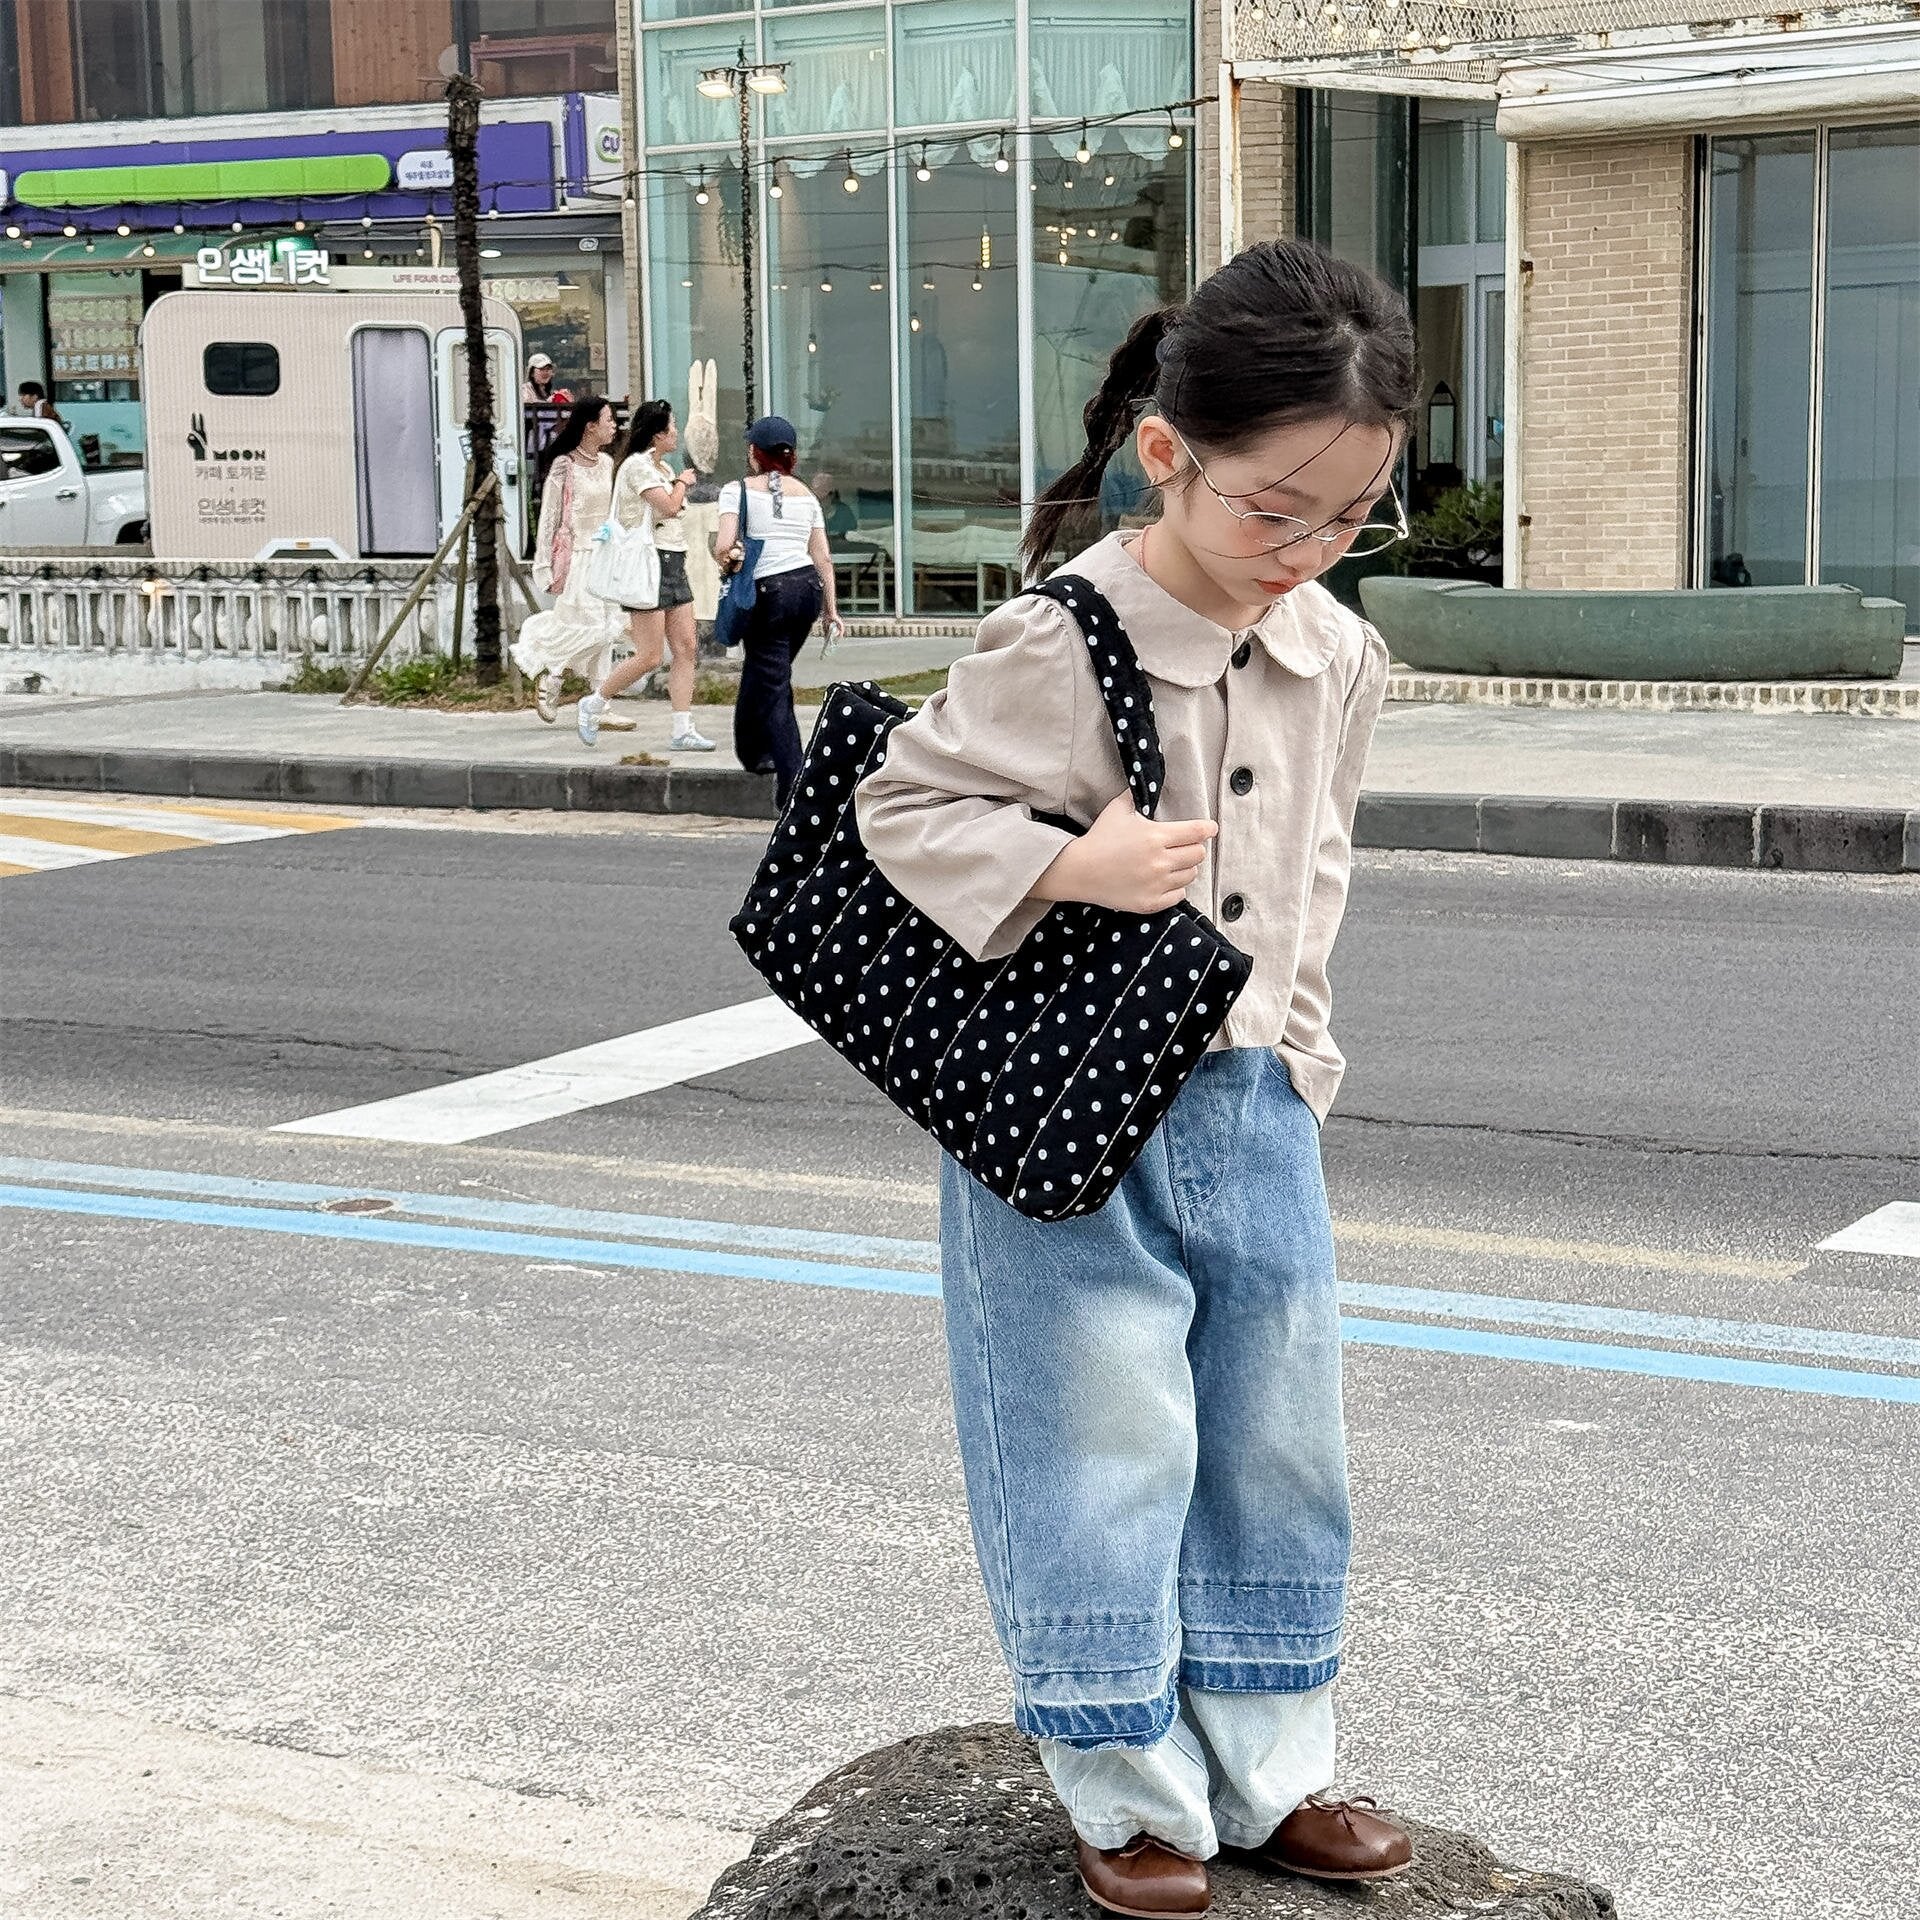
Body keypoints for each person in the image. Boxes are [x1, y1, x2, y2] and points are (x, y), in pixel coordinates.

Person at [854, 239, 1419, 1919]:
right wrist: (1068, 866)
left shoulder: (1337, 654)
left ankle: (1276, 1767)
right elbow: (903, 814)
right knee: (1095, 1434)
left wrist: (1302, 1063)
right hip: (1065, 1105)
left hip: (1253, 1100)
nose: (1307, 552)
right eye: (1274, 509)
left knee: (1277, 1434)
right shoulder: (1063, 634)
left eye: (1351, 517)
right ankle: (1123, 1784)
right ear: (1169, 456)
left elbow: (1316, 867)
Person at [714, 417, 843, 806]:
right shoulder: (806, 494)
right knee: (767, 673)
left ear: (754, 453)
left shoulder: (735, 490)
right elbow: (822, 556)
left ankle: (794, 784)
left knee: (773, 683)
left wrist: (730, 560)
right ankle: (753, 752)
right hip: (806, 591)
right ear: (792, 455)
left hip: (768, 593)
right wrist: (831, 610)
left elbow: (724, 545)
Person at [577, 399, 715, 751]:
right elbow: (668, 505)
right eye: (671, 427)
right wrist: (683, 483)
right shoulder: (639, 468)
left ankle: (682, 728)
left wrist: (676, 481)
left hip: (673, 561)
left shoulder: (663, 469)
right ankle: (594, 702)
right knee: (650, 655)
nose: (676, 433)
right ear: (657, 434)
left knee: (686, 647)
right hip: (648, 564)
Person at [510, 394, 629, 723]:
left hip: (604, 555)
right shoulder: (565, 465)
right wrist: (543, 563)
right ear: (590, 426)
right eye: (609, 420)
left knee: (607, 629)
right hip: (578, 558)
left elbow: (612, 511)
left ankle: (598, 704)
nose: (614, 426)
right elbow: (549, 518)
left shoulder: (606, 463)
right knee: (592, 628)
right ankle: (553, 674)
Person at [811, 470, 859, 542]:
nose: (818, 501)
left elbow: (853, 535)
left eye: (824, 496)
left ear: (832, 495)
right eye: (815, 495)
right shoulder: (807, 512)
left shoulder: (844, 512)